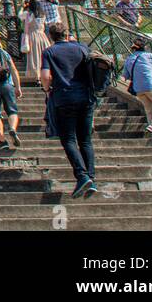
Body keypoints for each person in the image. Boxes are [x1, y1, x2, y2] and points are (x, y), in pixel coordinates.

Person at [41, 23, 98, 198]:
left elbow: (45, 76)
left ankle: (81, 176)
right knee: (86, 140)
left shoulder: (49, 52)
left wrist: (47, 88)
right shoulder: (82, 48)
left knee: (69, 139)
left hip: (64, 98)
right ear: (66, 34)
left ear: (50, 36)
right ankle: (91, 178)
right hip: (86, 98)